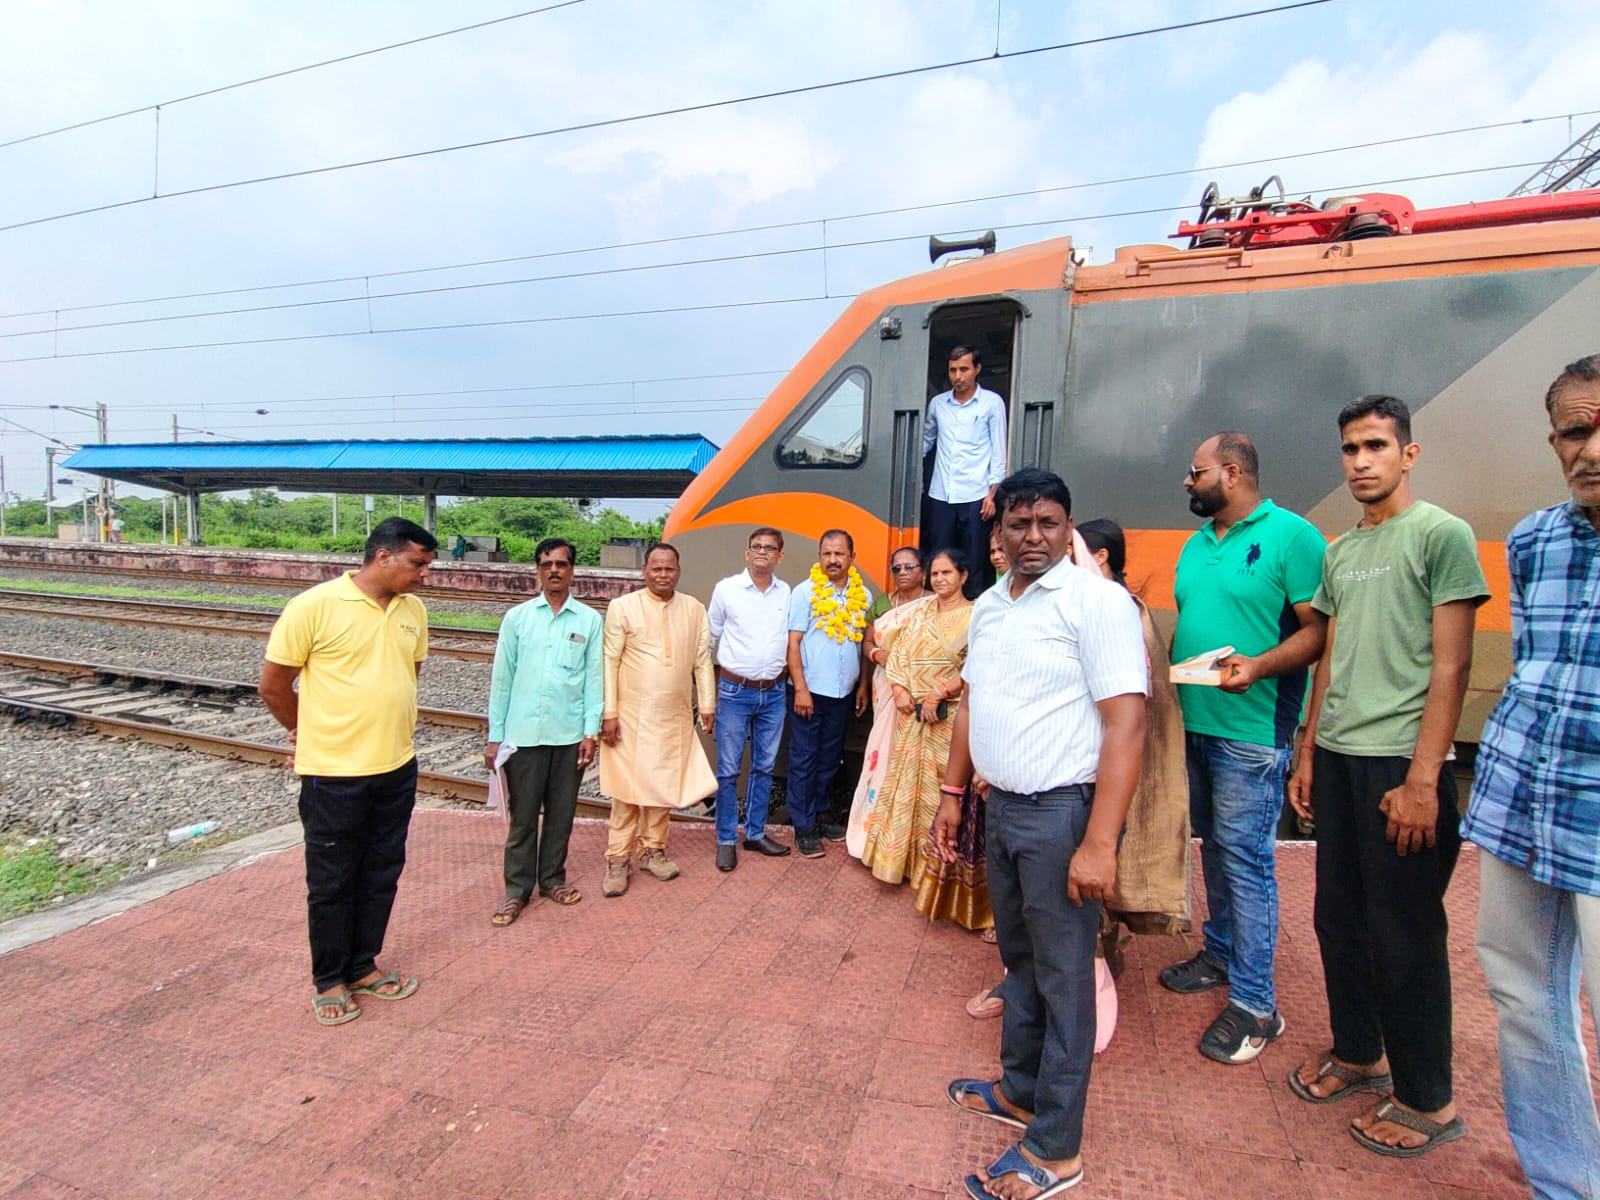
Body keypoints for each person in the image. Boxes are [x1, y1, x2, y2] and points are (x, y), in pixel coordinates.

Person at [1287, 395, 1489, 1157]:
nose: (1361, 461)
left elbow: (1453, 664)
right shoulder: (1340, 552)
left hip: (1401, 764)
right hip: (1339, 756)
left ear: (1409, 453)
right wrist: (1309, 750)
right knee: (1338, 920)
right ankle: (1359, 1052)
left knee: (1405, 936)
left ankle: (1427, 1099)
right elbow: (1331, 657)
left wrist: (1424, 779)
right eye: (1350, 448)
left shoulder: (1441, 534)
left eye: (1375, 445)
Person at [937, 468, 1148, 1198]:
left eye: (1048, 523)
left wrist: (1100, 843)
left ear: (1068, 527)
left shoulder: (1098, 603)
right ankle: (1020, 1092)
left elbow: (1127, 723)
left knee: (1065, 979)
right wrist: (953, 794)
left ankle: (1056, 1150)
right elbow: (972, 704)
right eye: (1019, 524)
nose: (1034, 537)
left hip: (1063, 815)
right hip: (1002, 809)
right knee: (1020, 960)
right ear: (998, 531)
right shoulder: (992, 606)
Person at [1463, 354, 1600, 1199]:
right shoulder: (1534, 540)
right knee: (1522, 1000)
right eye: (1576, 431)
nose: (1592, 449)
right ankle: (1563, 1183)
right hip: (1521, 800)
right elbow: (1534, 668)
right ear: (1554, 442)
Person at [1159, 433, 1328, 1065]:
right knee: (1214, 848)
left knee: (1247, 862)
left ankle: (1257, 1006)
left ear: (1231, 473)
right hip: (1195, 723)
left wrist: (1258, 666)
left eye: (1196, 471)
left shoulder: (1293, 537)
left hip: (1251, 732)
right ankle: (1222, 953)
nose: (1187, 481)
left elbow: (1318, 634)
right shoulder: (1196, 544)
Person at [258, 516, 437, 1027]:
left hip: (396, 767)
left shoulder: (413, 610)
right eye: (417, 564)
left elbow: (407, 674)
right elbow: (274, 686)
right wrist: (305, 732)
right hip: (334, 774)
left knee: (381, 873)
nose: (425, 574)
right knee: (333, 880)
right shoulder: (313, 607)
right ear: (383, 557)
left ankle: (363, 965)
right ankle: (330, 979)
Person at [484, 537, 603, 924]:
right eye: (547, 564)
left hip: (569, 735)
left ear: (572, 571)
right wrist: (495, 735)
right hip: (523, 735)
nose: (554, 570)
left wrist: (590, 732)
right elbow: (502, 680)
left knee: (561, 814)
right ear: (537, 570)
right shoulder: (517, 619)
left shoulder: (589, 620)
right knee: (522, 817)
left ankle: (552, 879)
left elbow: (594, 681)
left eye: (561, 564)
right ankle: (515, 890)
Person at [597, 543, 717, 897]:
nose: (662, 575)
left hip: (673, 715)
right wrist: (609, 712)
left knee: (663, 784)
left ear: (678, 571)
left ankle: (653, 850)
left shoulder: (694, 608)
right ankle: (618, 857)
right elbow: (609, 661)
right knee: (627, 788)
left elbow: (701, 660)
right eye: (656, 568)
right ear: (644, 571)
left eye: (669, 569)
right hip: (630, 716)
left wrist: (707, 704)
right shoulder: (623, 607)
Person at [861, 549, 973, 891]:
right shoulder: (921, 612)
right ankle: (904, 862)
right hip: (911, 715)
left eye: (947, 573)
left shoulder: (976, 615)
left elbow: (979, 665)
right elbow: (899, 655)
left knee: (943, 791)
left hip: (949, 717)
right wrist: (898, 690)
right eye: (935, 574)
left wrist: (940, 692)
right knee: (905, 787)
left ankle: (938, 868)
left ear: (963, 576)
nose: (940, 579)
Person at [707, 527, 793, 872]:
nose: (761, 552)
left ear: (779, 556)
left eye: (769, 548)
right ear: (746, 553)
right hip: (734, 691)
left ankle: (755, 832)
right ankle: (726, 838)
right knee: (729, 770)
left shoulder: (785, 592)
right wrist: (705, 691)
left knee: (764, 766)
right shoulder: (726, 589)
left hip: (774, 692)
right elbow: (710, 638)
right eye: (756, 546)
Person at [786, 528, 871, 858]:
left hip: (843, 693)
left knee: (829, 758)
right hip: (810, 692)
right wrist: (800, 689)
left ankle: (820, 814)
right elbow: (793, 643)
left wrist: (862, 685)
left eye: (839, 553)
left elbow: (863, 644)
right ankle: (803, 825)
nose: (833, 559)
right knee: (804, 759)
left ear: (852, 557)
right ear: (819, 556)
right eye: (827, 553)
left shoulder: (861, 596)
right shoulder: (804, 592)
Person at [845, 546, 930, 859]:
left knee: (911, 756)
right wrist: (876, 656)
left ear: (923, 571)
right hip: (884, 686)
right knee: (881, 752)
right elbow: (867, 641)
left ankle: (907, 836)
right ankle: (871, 828)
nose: (902, 573)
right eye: (896, 568)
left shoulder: (934, 603)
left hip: (919, 689)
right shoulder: (882, 603)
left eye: (909, 567)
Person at [923, 345, 1007, 600]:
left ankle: (973, 612)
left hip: (976, 495)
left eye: (964, 369)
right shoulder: (938, 404)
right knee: (938, 558)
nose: (958, 376)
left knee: (974, 561)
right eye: (952, 370)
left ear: (977, 369)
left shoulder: (992, 403)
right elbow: (927, 441)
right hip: (941, 494)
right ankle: (937, 611)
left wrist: (992, 495)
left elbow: (998, 451)